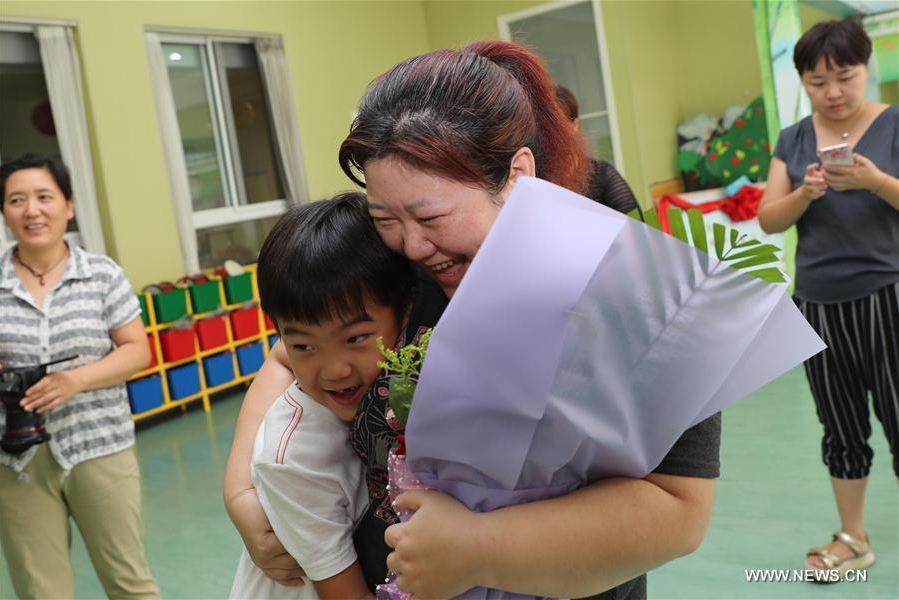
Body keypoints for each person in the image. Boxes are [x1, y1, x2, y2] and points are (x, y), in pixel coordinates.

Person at [226, 40, 720, 600]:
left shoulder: (643, 297)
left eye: (430, 216)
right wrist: (242, 490)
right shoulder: (393, 270)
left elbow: (679, 512)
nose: (413, 244)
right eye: (385, 217)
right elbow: (290, 353)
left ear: (518, 175)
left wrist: (478, 547)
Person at [757, 19, 898, 580]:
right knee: (840, 427)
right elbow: (769, 219)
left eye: (845, 76)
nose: (834, 92)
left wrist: (874, 182)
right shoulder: (792, 139)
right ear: (803, 82)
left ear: (867, 70)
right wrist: (805, 192)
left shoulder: (891, 124)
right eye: (818, 81)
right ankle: (852, 537)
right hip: (816, 303)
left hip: (888, 297)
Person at [230, 193, 414, 599]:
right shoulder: (295, 459)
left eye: (355, 338)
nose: (334, 370)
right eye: (305, 347)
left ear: (405, 313)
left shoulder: (397, 381)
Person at [0, 153, 159, 598]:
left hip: (99, 448)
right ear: (4, 211)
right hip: (16, 460)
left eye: (44, 197)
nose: (32, 210)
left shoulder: (103, 275)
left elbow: (136, 351)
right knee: (39, 589)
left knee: (129, 581)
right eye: (17, 200)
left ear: (68, 206)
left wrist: (75, 380)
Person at [555, 84, 640, 215]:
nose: (551, 134)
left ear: (575, 125)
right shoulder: (537, 180)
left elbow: (636, 227)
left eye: (558, 125)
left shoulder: (603, 175)